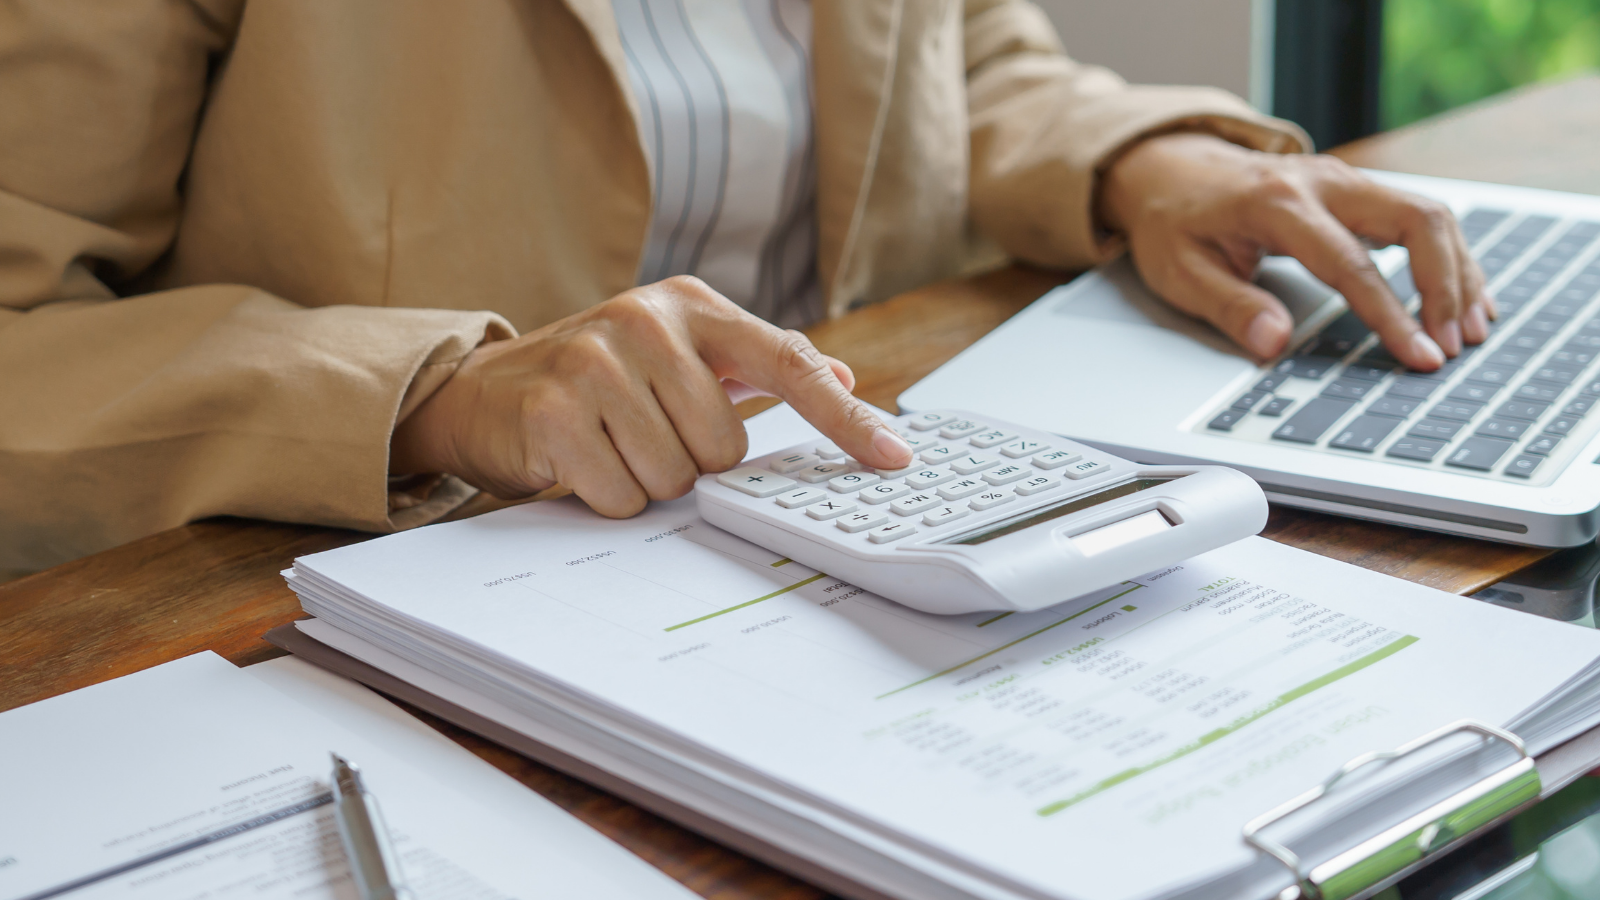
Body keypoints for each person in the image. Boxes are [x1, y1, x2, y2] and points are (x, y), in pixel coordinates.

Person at [0, 0, 1490, 581]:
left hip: (867, 527)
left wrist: (1143, 161)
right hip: (402, 579)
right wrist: (438, 396)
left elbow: (963, 54)